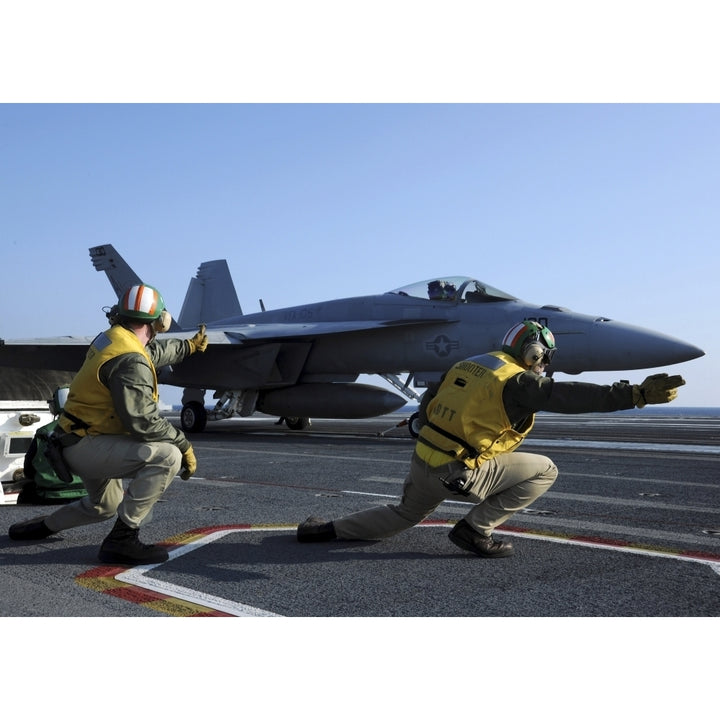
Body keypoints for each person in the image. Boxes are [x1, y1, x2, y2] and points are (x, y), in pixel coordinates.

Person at [297, 320, 685, 558]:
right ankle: (476, 529)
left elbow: (429, 408)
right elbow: (568, 396)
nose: (545, 366)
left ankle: (326, 529)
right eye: (544, 358)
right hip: (460, 471)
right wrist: (634, 394)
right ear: (533, 353)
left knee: (404, 514)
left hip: (424, 459)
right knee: (545, 470)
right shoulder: (518, 380)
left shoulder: (467, 364)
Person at [9, 284, 209, 565]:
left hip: (75, 439)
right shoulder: (130, 360)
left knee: (103, 506)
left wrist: (187, 346)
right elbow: (143, 422)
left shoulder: (113, 340)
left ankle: (43, 526)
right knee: (168, 456)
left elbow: (153, 355)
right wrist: (184, 444)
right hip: (86, 445)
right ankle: (122, 540)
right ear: (159, 322)